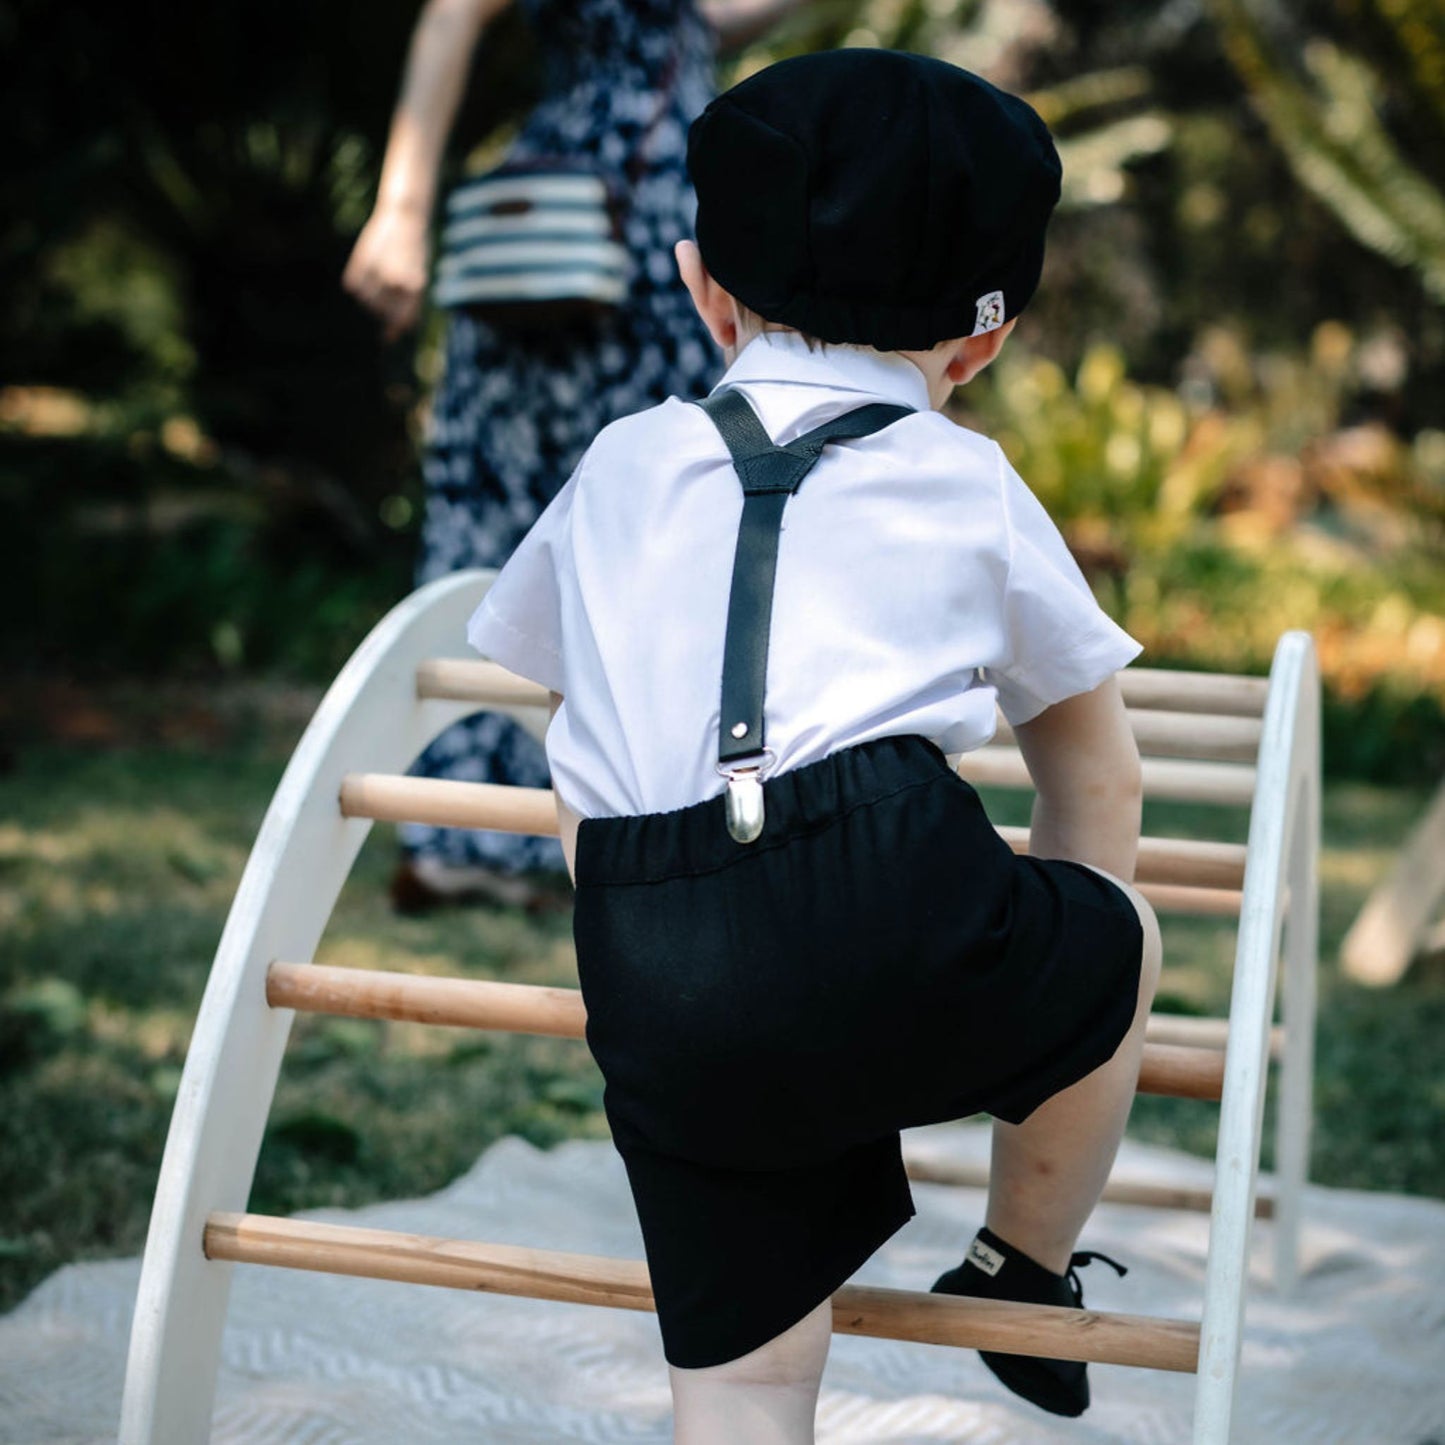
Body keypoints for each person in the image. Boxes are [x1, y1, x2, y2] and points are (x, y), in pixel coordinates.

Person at [467, 47, 1162, 1445]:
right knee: (1119, 936)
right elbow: (1091, 767)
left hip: (656, 952)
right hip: (900, 904)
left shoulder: (617, 463)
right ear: (982, 344)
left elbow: (565, 716)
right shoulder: (968, 476)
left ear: (700, 286)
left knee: (743, 1382)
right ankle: (1023, 1263)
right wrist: (1051, 951)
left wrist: (631, 902)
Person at [345, 0, 806, 912]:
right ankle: (463, 827)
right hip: (570, 218)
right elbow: (451, 15)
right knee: (512, 508)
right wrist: (399, 209)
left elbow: (710, 21)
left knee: (669, 518)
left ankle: (640, 816)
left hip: (666, 216)